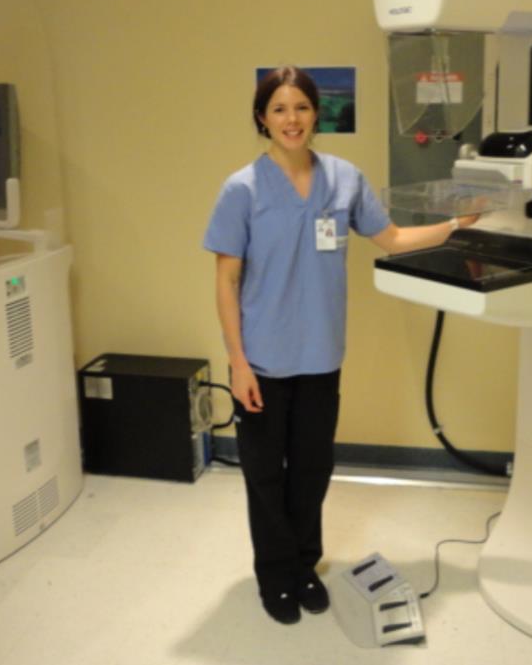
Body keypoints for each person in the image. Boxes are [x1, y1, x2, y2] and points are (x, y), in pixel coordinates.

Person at [203, 65, 477, 625]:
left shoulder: (345, 179)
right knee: (265, 474)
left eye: (301, 107)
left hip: (321, 355)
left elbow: (392, 237)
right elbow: (226, 280)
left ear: (316, 114)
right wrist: (237, 362)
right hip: (262, 359)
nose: (291, 119)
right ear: (262, 117)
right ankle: (274, 575)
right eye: (278, 108)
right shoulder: (242, 189)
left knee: (311, 468)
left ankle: (305, 565)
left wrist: (456, 225)